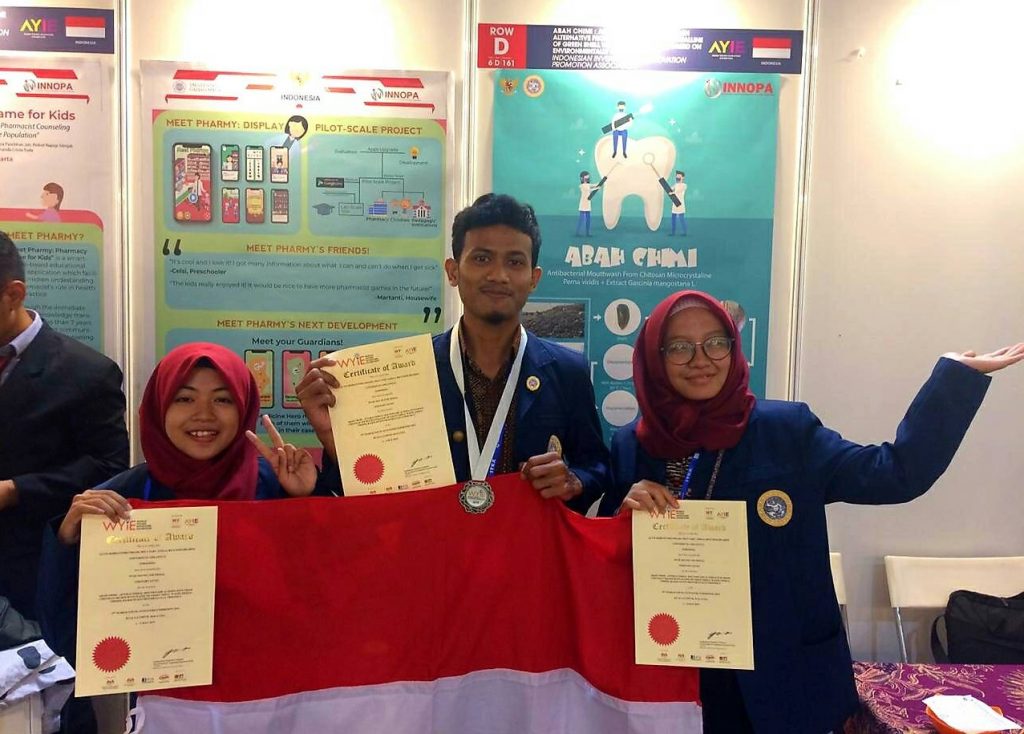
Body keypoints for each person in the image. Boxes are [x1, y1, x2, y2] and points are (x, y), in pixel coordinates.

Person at [597, 290, 1024, 734]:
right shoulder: (633, 444)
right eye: (680, 347)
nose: (701, 358)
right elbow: (613, 558)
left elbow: (896, 473)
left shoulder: (786, 430)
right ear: (654, 357)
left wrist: (953, 381)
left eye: (716, 342)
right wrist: (624, 513)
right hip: (675, 669)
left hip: (785, 672)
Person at [298, 193, 610, 512]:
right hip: (432, 554)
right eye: (482, 258)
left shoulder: (567, 372)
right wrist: (337, 441)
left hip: (529, 556)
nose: (498, 275)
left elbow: (597, 466)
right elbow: (370, 490)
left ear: (533, 278)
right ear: (452, 271)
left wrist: (575, 481)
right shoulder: (409, 371)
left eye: (515, 262)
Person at [37, 342, 320, 663]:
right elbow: (66, 637)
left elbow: (328, 603)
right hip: (162, 703)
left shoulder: (277, 485)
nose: (204, 414)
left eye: (222, 399)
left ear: (244, 407)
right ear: (159, 407)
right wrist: (68, 542)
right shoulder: (120, 499)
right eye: (184, 398)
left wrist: (305, 503)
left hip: (265, 697)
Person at [0, 232, 129, 622]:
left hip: (30, 577)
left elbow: (109, 469)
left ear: (14, 294)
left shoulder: (86, 372)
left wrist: (15, 490)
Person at [576, 170, 602, 237]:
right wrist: (596, 188)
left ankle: (587, 232)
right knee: (581, 219)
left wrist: (601, 182)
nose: (587, 177)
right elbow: (588, 190)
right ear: (582, 178)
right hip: (583, 203)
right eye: (586, 176)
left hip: (587, 203)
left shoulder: (588, 184)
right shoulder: (581, 186)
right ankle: (578, 232)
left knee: (588, 219)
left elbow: (594, 185)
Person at [670, 171, 687, 236]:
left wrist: (673, 193)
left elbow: (679, 191)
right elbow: (671, 189)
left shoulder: (684, 185)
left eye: (679, 176)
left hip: (680, 204)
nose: (678, 177)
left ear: (683, 177)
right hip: (675, 203)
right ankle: (673, 232)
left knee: (681, 219)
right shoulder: (675, 185)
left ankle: (684, 232)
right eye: (677, 176)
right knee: (673, 219)